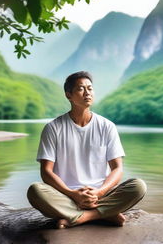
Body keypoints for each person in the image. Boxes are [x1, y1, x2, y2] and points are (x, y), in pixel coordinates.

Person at [27, 71, 147, 229]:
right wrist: (73, 194)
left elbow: (117, 168)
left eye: (90, 88)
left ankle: (82, 216)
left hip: (101, 195)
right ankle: (105, 213)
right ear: (69, 95)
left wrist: (100, 192)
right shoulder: (53, 128)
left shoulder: (107, 126)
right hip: (66, 195)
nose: (87, 92)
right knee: (35, 191)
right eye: (81, 89)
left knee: (138, 186)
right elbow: (46, 172)